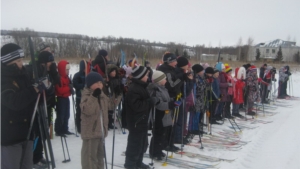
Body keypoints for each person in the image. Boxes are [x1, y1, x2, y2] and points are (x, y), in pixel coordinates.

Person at [1, 43, 44, 169]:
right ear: (9, 61)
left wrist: (43, 90)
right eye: (18, 60)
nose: (21, 63)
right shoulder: (2, 78)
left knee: (27, 166)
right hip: (11, 135)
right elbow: (14, 102)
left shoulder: (23, 74)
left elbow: (32, 98)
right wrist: (33, 90)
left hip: (27, 131)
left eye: (21, 60)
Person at [27, 50, 60, 167]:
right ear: (44, 62)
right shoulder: (34, 70)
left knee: (43, 132)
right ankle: (33, 158)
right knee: (36, 132)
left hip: (46, 104)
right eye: (50, 61)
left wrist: (53, 73)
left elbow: (55, 83)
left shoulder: (49, 71)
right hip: (35, 107)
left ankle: (39, 155)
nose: (52, 63)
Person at [124, 65, 156, 169]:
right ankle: (130, 164)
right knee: (135, 144)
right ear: (140, 76)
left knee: (142, 144)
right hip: (136, 122)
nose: (148, 77)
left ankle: (138, 162)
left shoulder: (141, 86)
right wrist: (149, 102)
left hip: (142, 120)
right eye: (146, 75)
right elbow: (136, 106)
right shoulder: (134, 89)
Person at [147, 70, 179, 160]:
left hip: (166, 115)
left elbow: (166, 99)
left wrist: (173, 101)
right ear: (159, 80)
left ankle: (159, 150)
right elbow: (159, 104)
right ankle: (154, 152)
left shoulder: (163, 88)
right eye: (164, 79)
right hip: (159, 115)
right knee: (158, 134)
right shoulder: (155, 89)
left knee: (163, 134)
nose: (166, 81)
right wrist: (170, 105)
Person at [80, 72, 109, 169]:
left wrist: (117, 95)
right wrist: (93, 97)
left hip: (100, 132)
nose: (99, 85)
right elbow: (87, 110)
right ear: (90, 84)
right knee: (89, 158)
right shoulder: (87, 95)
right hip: (91, 133)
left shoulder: (102, 95)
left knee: (100, 157)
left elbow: (110, 106)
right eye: (96, 83)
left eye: (101, 82)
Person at [157, 52, 183, 152]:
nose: (176, 62)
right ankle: (166, 144)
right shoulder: (165, 70)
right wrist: (181, 78)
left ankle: (169, 143)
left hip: (173, 98)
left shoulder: (171, 69)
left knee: (172, 122)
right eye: (174, 60)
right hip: (168, 98)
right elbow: (171, 85)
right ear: (170, 61)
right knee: (168, 123)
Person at [174, 56, 193, 144]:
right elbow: (178, 85)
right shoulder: (178, 73)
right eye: (186, 64)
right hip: (178, 97)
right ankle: (177, 137)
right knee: (179, 118)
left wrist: (190, 81)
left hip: (183, 97)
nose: (188, 66)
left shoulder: (183, 73)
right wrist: (186, 78)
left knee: (182, 118)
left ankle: (180, 135)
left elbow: (188, 90)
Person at [55, 60, 74, 136]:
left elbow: (67, 87)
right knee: (61, 115)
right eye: (66, 70)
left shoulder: (67, 78)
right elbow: (60, 90)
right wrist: (69, 88)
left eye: (68, 70)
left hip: (66, 98)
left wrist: (71, 89)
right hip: (60, 99)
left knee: (67, 114)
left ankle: (65, 129)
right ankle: (59, 130)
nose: (68, 71)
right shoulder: (59, 78)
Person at [102, 63, 123, 129]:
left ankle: (110, 122)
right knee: (107, 111)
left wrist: (118, 94)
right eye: (112, 71)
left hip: (114, 97)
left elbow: (119, 89)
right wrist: (106, 84)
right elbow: (104, 90)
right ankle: (106, 123)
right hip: (108, 97)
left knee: (112, 110)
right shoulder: (105, 79)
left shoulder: (117, 79)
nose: (114, 73)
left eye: (115, 71)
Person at [72, 60, 86, 133]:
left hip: (86, 97)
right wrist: (83, 86)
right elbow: (75, 84)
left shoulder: (87, 74)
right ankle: (79, 127)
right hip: (79, 97)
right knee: (79, 111)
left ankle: (85, 126)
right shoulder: (77, 75)